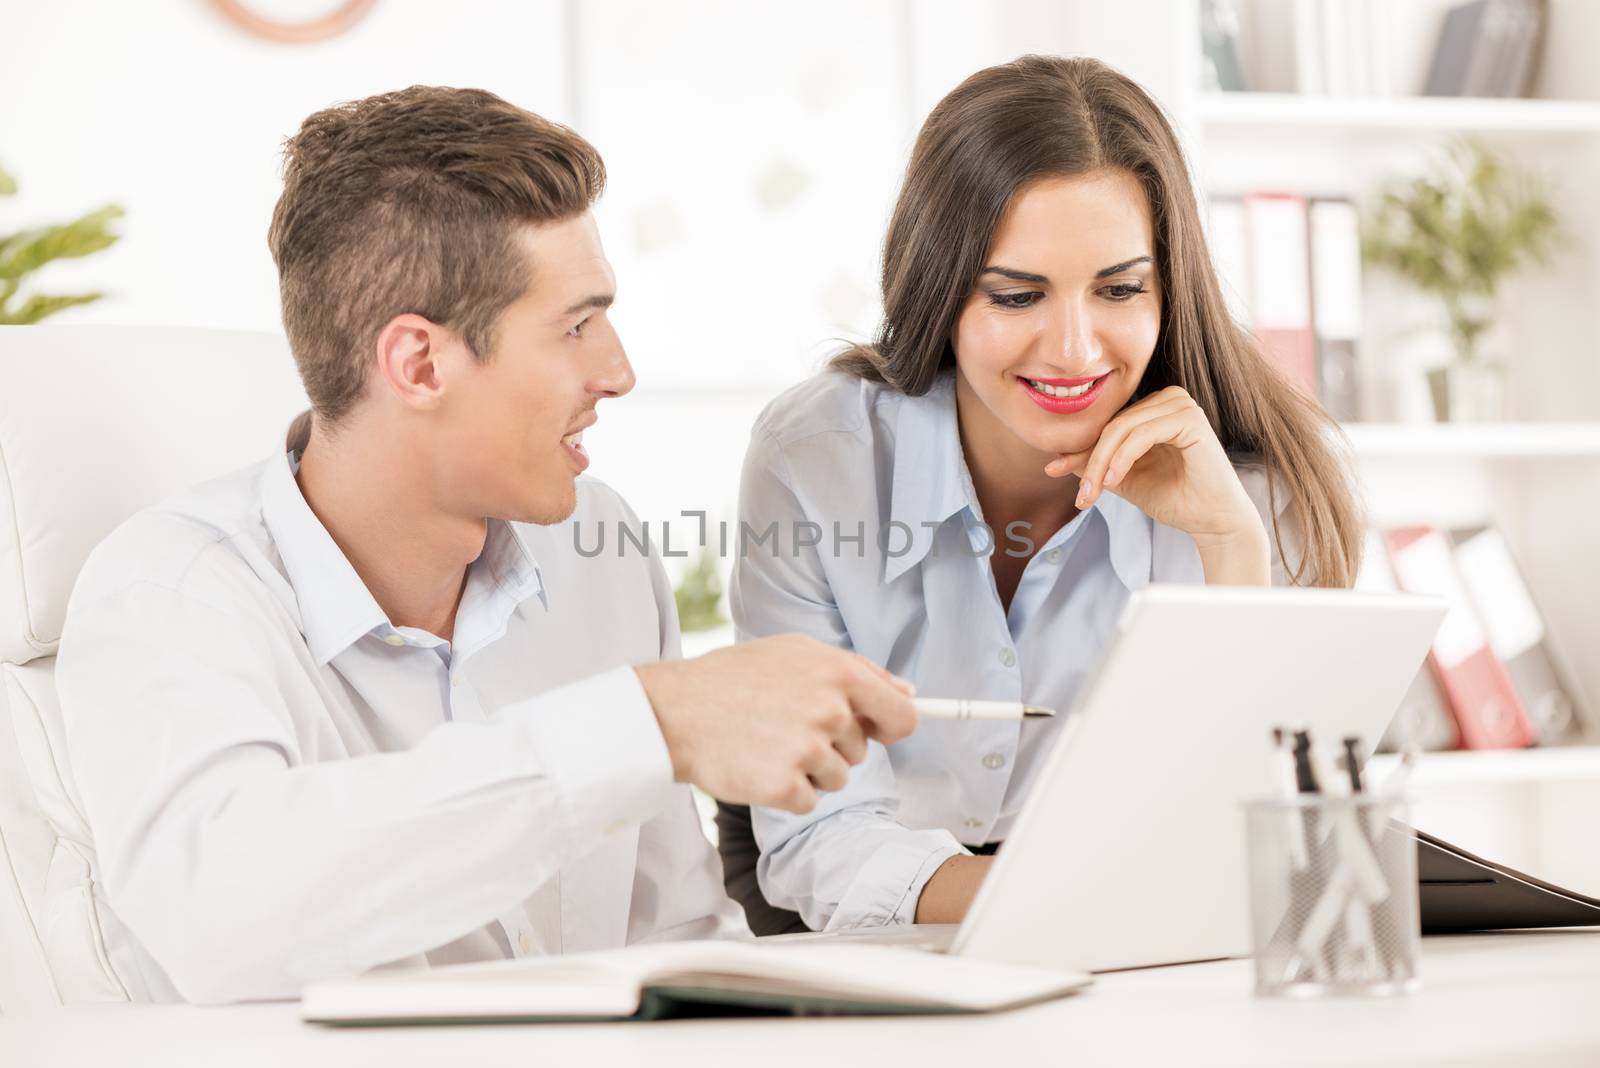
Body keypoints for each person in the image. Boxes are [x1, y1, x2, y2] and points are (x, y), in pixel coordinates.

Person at [54, 86, 918, 1004]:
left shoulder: (599, 548)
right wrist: (648, 723)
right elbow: (219, 918)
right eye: (576, 326)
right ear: (419, 363)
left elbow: (673, 938)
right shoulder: (173, 592)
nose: (617, 371)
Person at [718, 55, 1364, 935]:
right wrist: (1066, 906)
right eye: (1018, 295)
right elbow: (820, 837)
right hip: (896, 945)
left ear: (1169, 287)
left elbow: (1284, 840)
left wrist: (1231, 546)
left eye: (1121, 289)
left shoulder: (1258, 485)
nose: (1073, 348)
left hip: (1157, 961)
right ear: (941, 291)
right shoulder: (817, 458)